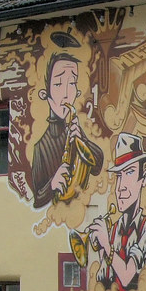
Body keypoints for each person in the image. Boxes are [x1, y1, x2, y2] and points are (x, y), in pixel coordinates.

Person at [31, 50, 103, 208]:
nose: (66, 94)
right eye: (58, 84)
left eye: (71, 83)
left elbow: (97, 166)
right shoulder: (41, 148)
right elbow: (36, 199)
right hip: (61, 212)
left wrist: (82, 140)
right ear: (45, 94)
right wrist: (52, 184)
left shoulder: (74, 128)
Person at [87, 133, 146, 291]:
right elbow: (102, 279)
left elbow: (127, 277)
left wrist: (106, 245)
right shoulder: (112, 229)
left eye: (130, 172)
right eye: (119, 175)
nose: (120, 186)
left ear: (144, 178)